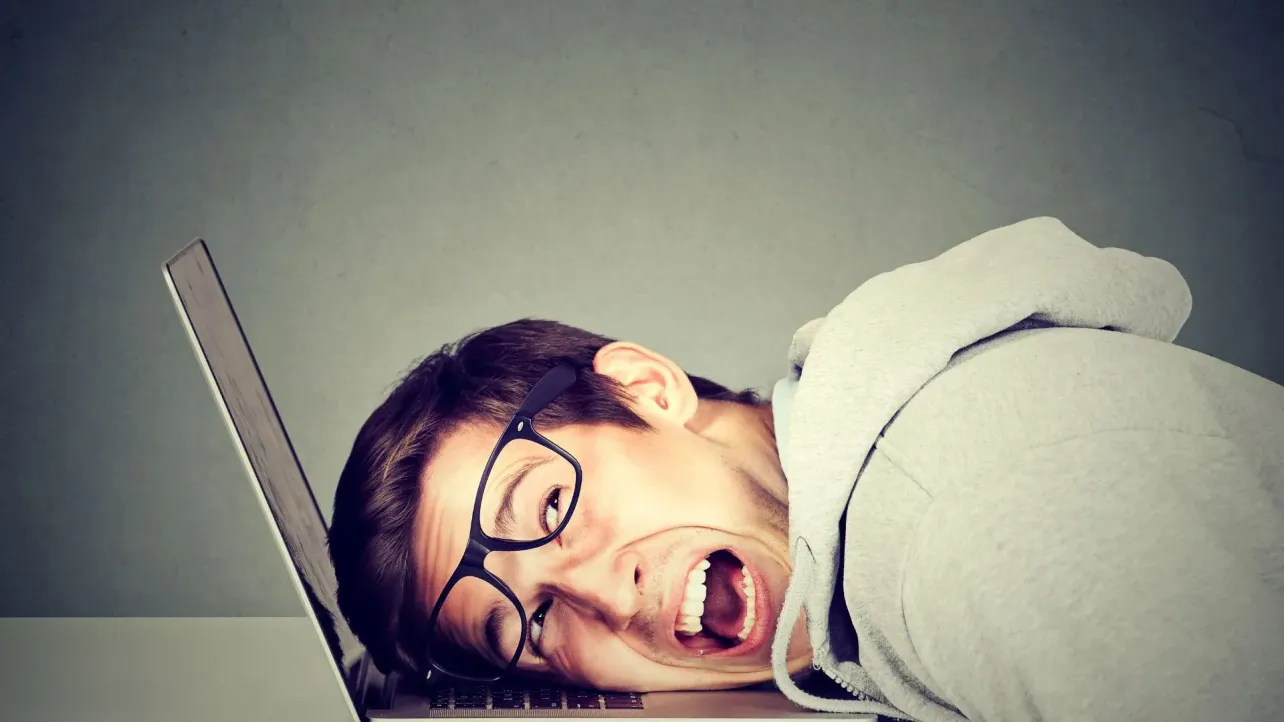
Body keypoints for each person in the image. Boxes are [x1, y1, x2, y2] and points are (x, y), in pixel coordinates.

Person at [327, 217, 1284, 721]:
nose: (601, 600)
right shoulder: (838, 567)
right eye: (525, 629)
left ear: (646, 390)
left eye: (544, 507)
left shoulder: (965, 524)